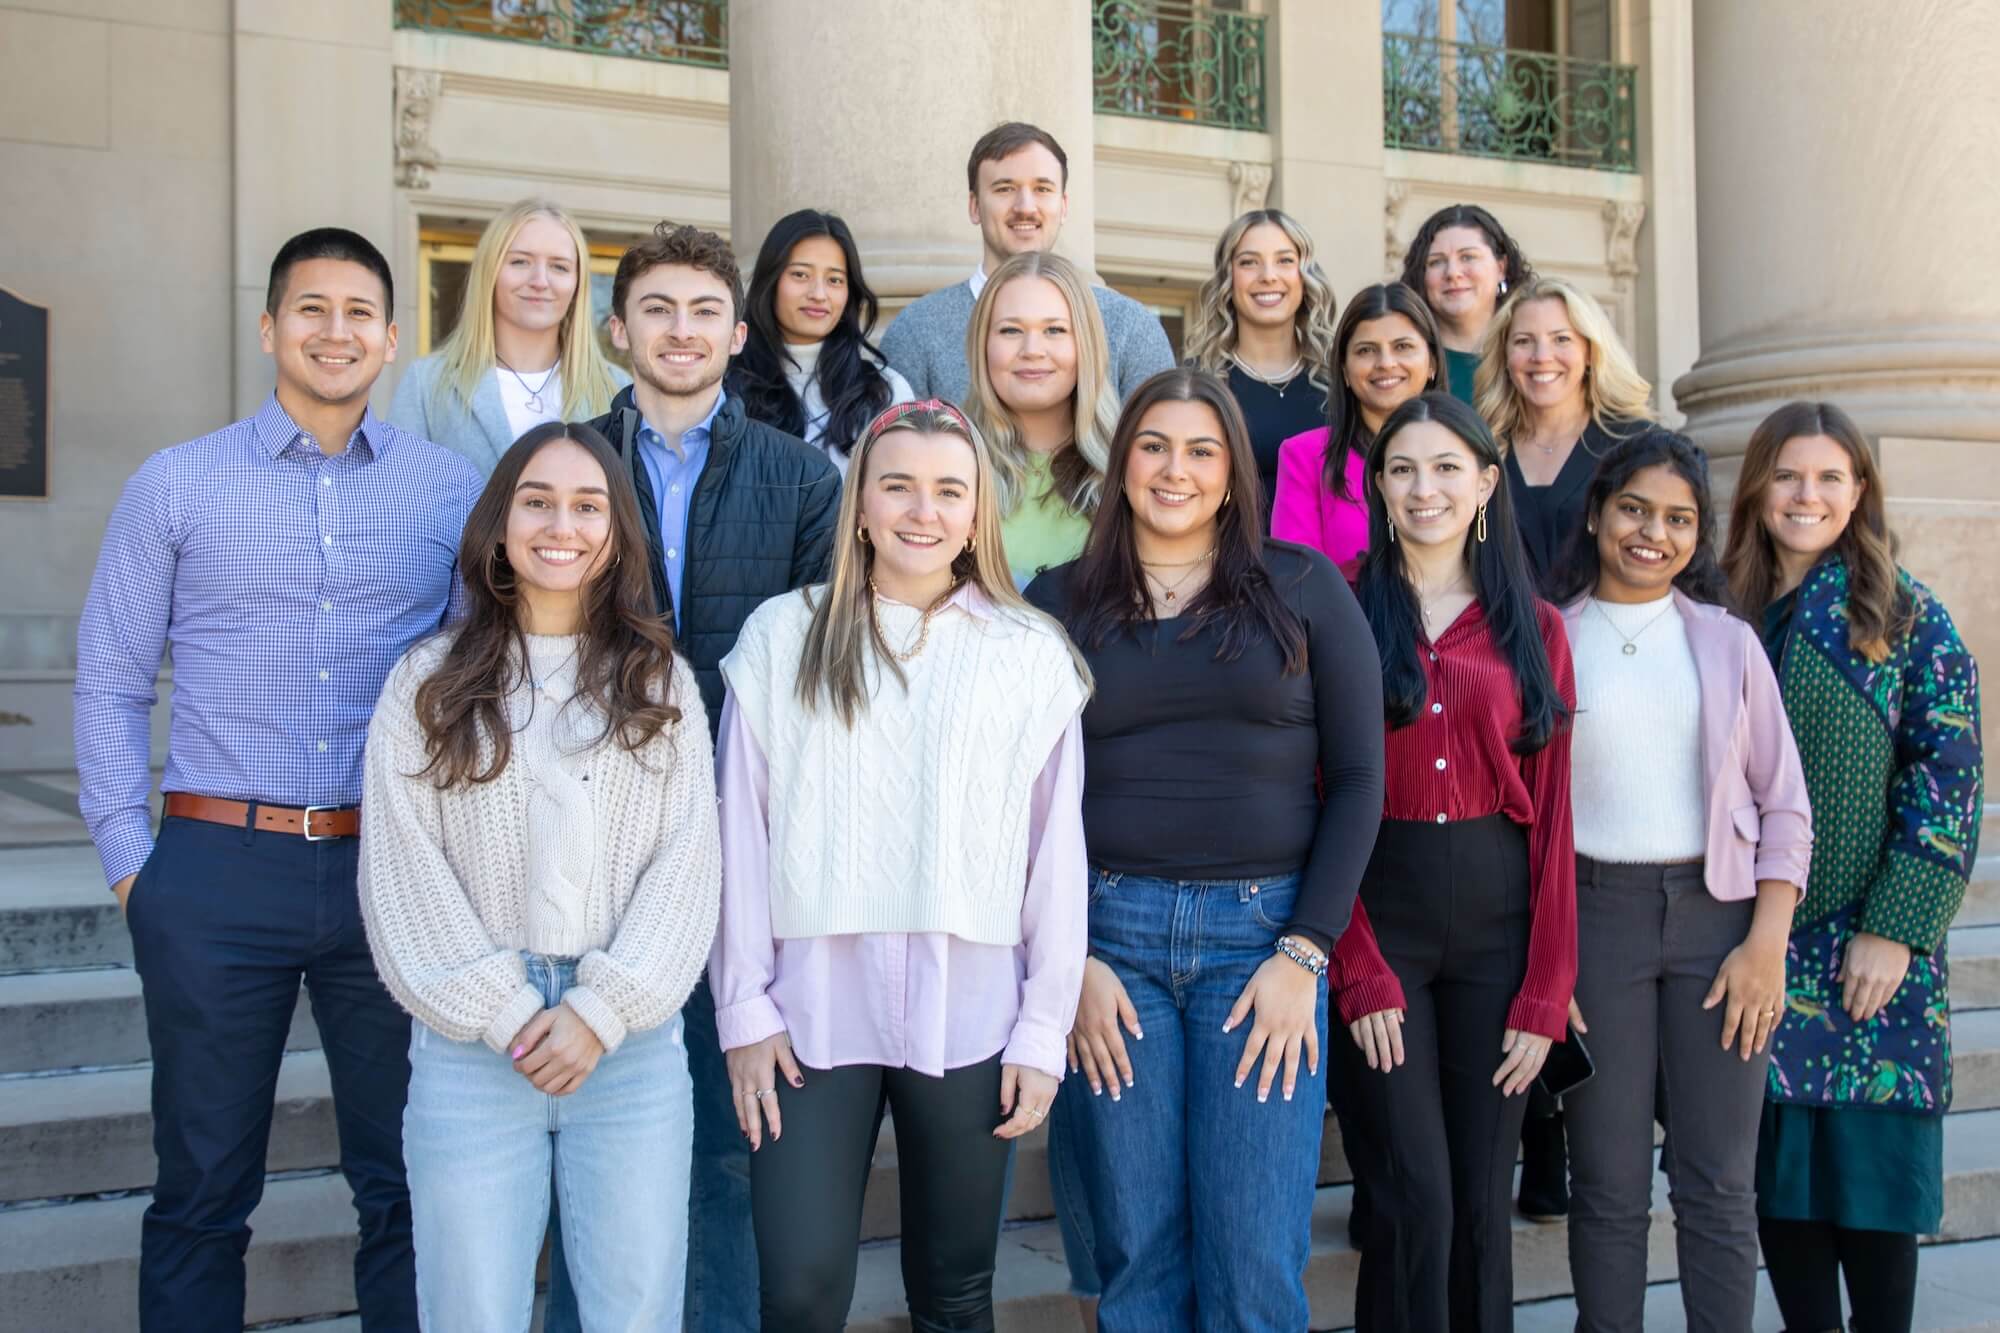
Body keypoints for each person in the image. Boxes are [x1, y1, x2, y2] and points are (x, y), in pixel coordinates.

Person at [74, 228, 483, 1329]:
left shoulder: (447, 491)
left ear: (392, 341)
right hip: (215, 871)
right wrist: (133, 868)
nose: (334, 330)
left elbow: (472, 686)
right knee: (203, 1190)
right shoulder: (175, 484)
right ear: (269, 328)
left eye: (359, 312)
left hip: (385, 872)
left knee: (405, 1184)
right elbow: (110, 680)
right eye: (311, 308)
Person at [713, 400, 1092, 1329]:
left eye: (948, 491)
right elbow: (739, 839)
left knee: (955, 1293)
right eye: (899, 487)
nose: (923, 511)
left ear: (977, 515)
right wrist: (745, 1005)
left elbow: (1057, 856)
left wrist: (1044, 1028)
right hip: (808, 1012)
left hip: (969, 1010)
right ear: (861, 506)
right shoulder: (782, 637)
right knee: (799, 1292)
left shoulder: (1029, 652)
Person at [1026, 367, 1386, 1331]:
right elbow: (1017, 797)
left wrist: (1304, 953)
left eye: (1200, 450)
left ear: (1233, 473)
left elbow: (1358, 783)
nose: (1173, 470)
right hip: (1111, 946)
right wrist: (1073, 959)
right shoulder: (1057, 601)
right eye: (1152, 446)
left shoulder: (1303, 586)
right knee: (1138, 1256)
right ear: (1121, 464)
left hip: (1262, 943)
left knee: (1253, 1259)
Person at [539, 220, 840, 1333]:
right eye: (657, 309)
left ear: (737, 331)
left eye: (704, 311)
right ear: (617, 330)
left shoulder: (801, 477)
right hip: (590, 842)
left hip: (736, 847)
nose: (680, 330)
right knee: (599, 1142)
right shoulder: (563, 466)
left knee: (725, 1145)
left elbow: (822, 667)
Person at [359, 422, 722, 1330]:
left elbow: (688, 870)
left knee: (632, 1313)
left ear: (616, 534)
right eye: (538, 500)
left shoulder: (661, 684)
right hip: (473, 1045)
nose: (561, 524)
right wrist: (509, 1014)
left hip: (628, 1048)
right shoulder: (427, 684)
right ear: (500, 524)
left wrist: (601, 1010)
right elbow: (404, 875)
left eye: (588, 505)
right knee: (471, 1310)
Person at [1725, 402, 1983, 1333]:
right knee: (1782, 1193)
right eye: (1789, 475)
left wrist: (1898, 926)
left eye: (1831, 477)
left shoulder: (1906, 615)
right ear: (1757, 487)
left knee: (1873, 1204)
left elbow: (1948, 774)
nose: (1808, 495)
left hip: (1867, 958)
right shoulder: (1721, 608)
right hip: (1751, 946)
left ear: (1860, 491)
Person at [1546, 432, 1810, 1332]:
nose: (1652, 532)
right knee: (1610, 1184)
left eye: (1678, 518)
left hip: (1720, 926)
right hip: (1594, 921)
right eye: (1633, 509)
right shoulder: (1551, 639)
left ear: (1698, 535)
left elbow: (1786, 805)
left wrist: (1765, 943)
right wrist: (1551, 961)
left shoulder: (1730, 645)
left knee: (1718, 1185)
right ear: (1596, 512)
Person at [1330, 392, 1576, 1331]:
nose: (1423, 488)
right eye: (1401, 469)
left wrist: (1547, 987)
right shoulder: (1342, 609)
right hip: (1379, 916)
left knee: (1479, 1202)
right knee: (1412, 1197)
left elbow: (1552, 815)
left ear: (1484, 483)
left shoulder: (1537, 627)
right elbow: (1318, 796)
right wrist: (1354, 965)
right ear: (1379, 487)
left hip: (1497, 926)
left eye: (1444, 468)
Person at [880, 121, 1173, 404]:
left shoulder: (1132, 329)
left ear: (1064, 205)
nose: (1025, 207)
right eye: (1004, 189)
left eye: (1042, 189)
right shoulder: (915, 331)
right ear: (974, 206)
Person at [389, 198, 628, 475]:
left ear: (578, 284)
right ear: (489, 272)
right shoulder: (427, 384)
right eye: (520, 261)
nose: (540, 281)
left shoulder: (616, 389)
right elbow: (399, 497)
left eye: (559, 267)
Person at [1479, 276, 1667, 600]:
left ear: (1590, 352)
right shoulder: (1480, 448)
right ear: (1505, 356)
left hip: (1606, 639)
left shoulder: (1641, 445)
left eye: (1561, 339)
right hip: (1502, 642)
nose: (1542, 356)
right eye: (1524, 341)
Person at [963, 250, 1120, 588]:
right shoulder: (950, 462)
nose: (1032, 349)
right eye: (1010, 330)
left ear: (1085, 344)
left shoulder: (1131, 467)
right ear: (983, 345)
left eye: (1054, 330)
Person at [730, 207, 914, 474]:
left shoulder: (887, 393)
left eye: (835, 280)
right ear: (771, 282)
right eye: (800, 275)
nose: (819, 294)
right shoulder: (726, 389)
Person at [1182, 208, 1341, 516]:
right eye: (1249, 262)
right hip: (1229, 559)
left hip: (1324, 562)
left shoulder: (1338, 378)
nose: (1268, 275)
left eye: (1284, 260)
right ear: (1228, 277)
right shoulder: (1198, 381)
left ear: (1305, 275)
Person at [1270, 282, 1441, 566]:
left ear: (1432, 363)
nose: (1385, 363)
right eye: (1366, 350)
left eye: (1403, 347)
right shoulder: (1304, 456)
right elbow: (1295, 583)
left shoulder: (1466, 453)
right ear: (1345, 371)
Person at [1397, 203, 1535, 405]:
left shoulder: (1533, 356)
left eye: (1468, 257)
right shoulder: (1404, 361)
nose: (1452, 272)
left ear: (1501, 268)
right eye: (1436, 262)